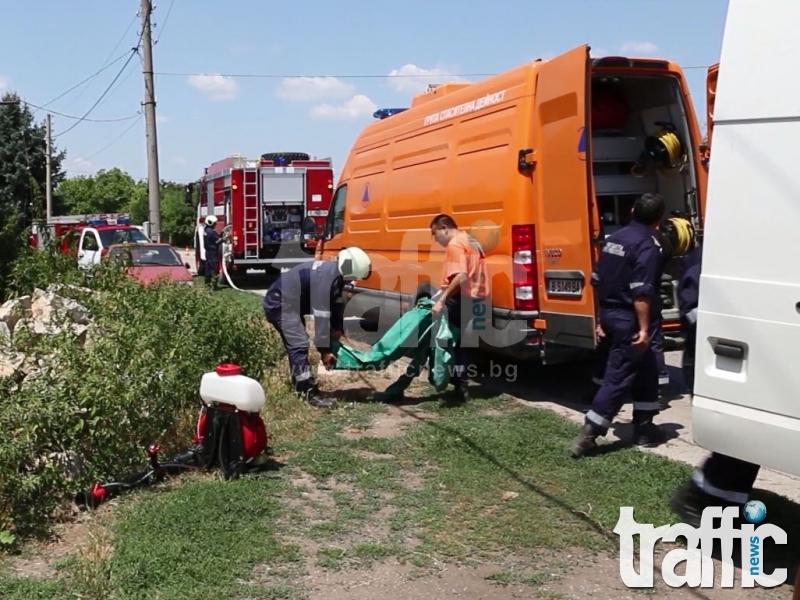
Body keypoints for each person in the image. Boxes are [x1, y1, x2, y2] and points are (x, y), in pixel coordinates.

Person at [571, 193, 668, 458]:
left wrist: (601, 318)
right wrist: (645, 329)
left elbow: (597, 280)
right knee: (618, 376)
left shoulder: (615, 239)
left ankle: (644, 427)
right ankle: (589, 434)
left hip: (612, 313)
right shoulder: (648, 244)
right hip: (631, 318)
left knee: (647, 368)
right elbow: (641, 293)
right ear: (660, 219)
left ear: (633, 210)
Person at [262, 247, 372, 409]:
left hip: (292, 303)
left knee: (298, 343)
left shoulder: (335, 275)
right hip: (279, 304)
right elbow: (321, 319)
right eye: (354, 277)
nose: (353, 281)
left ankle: (300, 384)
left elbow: (336, 303)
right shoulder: (325, 280)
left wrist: (337, 328)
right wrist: (325, 351)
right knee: (299, 343)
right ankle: (307, 392)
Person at [429, 213, 490, 403]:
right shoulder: (470, 239)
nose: (435, 239)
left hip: (460, 298)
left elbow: (461, 276)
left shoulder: (455, 244)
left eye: (434, 233)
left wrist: (441, 300)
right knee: (463, 344)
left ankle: (453, 382)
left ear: (444, 228)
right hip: (476, 299)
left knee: (448, 342)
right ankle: (461, 386)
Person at [203, 215, 222, 290]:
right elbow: (217, 241)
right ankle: (214, 286)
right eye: (214, 223)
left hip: (208, 252)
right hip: (213, 252)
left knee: (208, 268)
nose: (215, 224)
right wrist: (222, 239)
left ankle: (207, 285)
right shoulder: (211, 232)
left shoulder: (206, 230)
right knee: (214, 268)